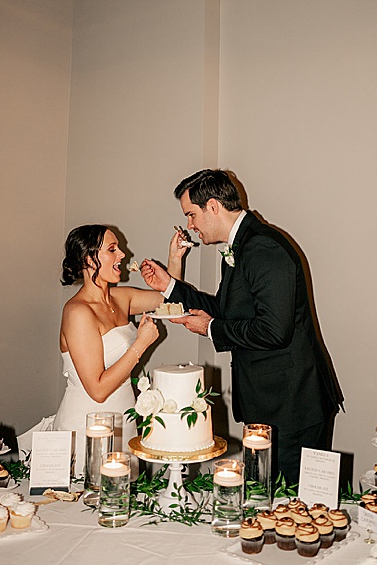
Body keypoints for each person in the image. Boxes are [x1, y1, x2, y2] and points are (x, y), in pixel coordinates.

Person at [140, 169, 342, 485]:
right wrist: (171, 286)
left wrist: (211, 329)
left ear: (213, 207)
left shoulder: (263, 248)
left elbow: (274, 330)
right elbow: (226, 310)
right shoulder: (238, 249)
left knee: (294, 509)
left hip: (292, 405)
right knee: (263, 501)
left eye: (191, 215)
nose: (190, 226)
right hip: (269, 402)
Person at [57, 224, 188, 473]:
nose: (122, 255)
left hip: (124, 419)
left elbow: (172, 299)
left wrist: (174, 258)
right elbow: (97, 389)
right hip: (87, 423)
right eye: (112, 249)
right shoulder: (77, 312)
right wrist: (140, 344)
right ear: (89, 259)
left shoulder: (120, 298)